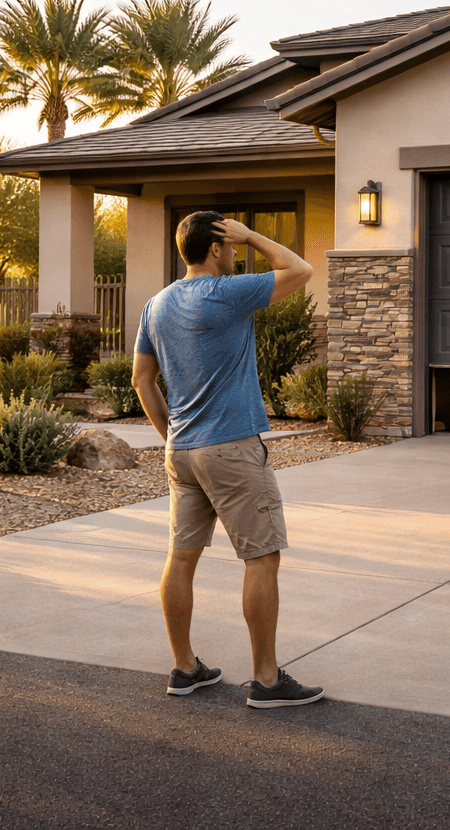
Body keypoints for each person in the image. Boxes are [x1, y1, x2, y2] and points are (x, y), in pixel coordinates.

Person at [132, 210, 324, 707]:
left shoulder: (155, 305)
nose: (236, 253)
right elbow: (301, 271)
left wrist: (172, 434)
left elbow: (141, 380)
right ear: (216, 247)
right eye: (231, 244)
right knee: (262, 558)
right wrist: (254, 234)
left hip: (182, 451)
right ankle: (265, 680)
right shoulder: (226, 291)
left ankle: (184, 668)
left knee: (181, 558)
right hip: (233, 448)